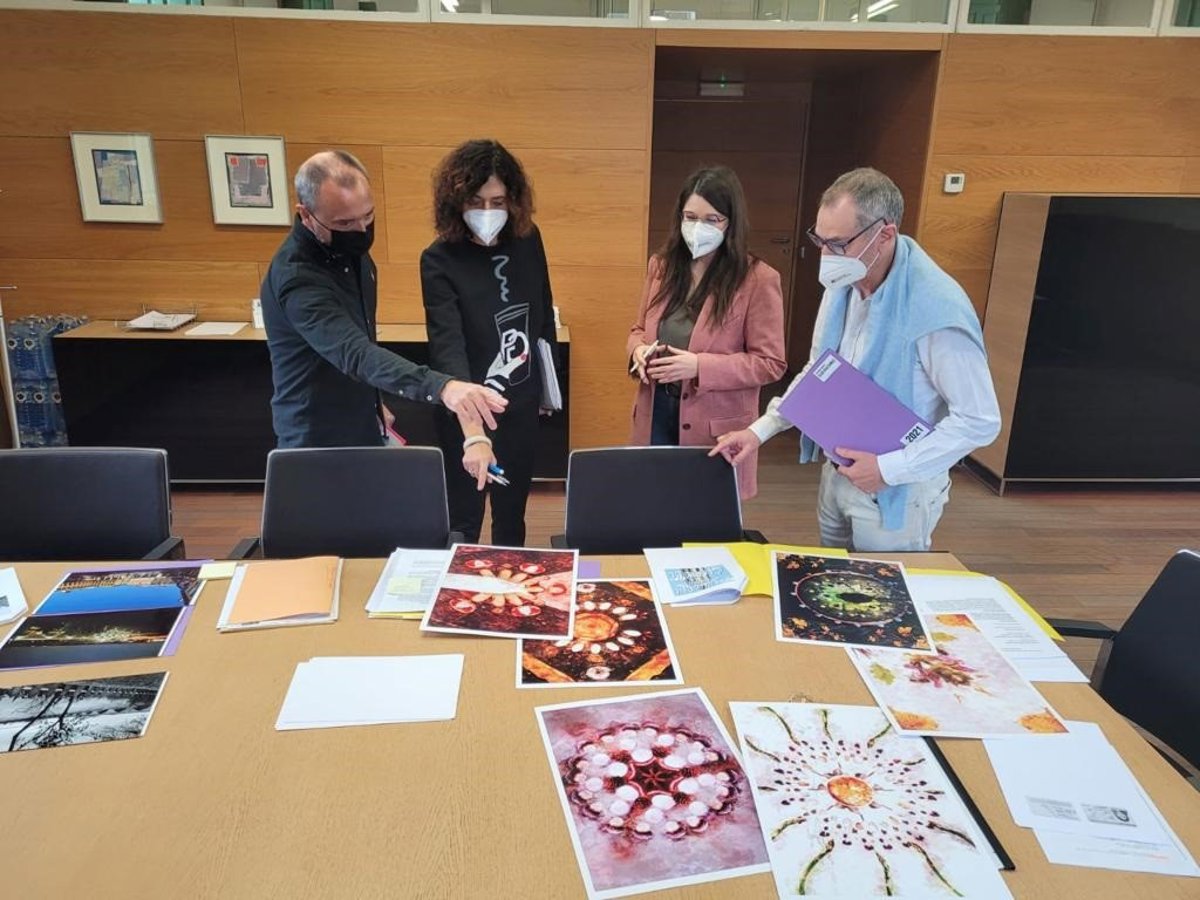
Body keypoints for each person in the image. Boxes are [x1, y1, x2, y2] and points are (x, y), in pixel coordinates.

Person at [711, 167, 1000, 551]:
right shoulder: (845, 281)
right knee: (833, 579)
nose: (825, 255)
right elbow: (820, 373)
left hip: (897, 489)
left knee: (882, 586)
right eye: (820, 240)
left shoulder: (937, 309)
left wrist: (887, 469)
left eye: (838, 244)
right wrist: (759, 431)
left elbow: (979, 421)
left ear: (885, 235)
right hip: (837, 472)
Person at [260, 150, 506, 449]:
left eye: (368, 216)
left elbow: (362, 335)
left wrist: (373, 402)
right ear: (306, 215)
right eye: (345, 223)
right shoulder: (298, 279)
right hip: (315, 437)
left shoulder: (348, 250)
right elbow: (354, 352)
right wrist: (444, 387)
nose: (361, 231)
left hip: (362, 421)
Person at [421, 139, 559, 547]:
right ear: (456, 203)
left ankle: (506, 582)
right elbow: (447, 347)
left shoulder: (529, 240)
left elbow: (542, 315)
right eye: (475, 202)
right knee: (464, 517)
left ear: (513, 201)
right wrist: (474, 433)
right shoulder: (439, 259)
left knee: (511, 515)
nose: (487, 213)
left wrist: (547, 390)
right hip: (467, 410)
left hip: (520, 405)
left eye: (497, 202)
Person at [626, 166, 786, 498]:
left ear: (731, 222)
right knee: (653, 507)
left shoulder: (759, 279)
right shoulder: (662, 266)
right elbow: (638, 329)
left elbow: (770, 363)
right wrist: (637, 350)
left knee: (703, 517)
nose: (698, 227)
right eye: (690, 217)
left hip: (715, 428)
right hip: (655, 411)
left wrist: (699, 366)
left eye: (712, 219)